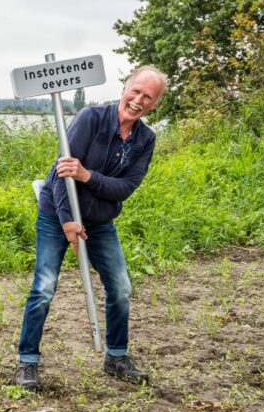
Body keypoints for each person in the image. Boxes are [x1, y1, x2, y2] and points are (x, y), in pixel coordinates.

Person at [15, 65, 167, 390]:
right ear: (125, 88)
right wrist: (68, 221)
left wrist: (88, 177)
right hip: (56, 215)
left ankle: (116, 357)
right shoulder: (90, 118)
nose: (139, 100)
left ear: (155, 104)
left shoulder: (145, 139)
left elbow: (125, 188)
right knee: (43, 288)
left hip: (100, 222)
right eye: (136, 91)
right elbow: (60, 175)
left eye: (148, 97)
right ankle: (27, 362)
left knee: (122, 288)